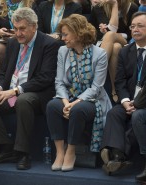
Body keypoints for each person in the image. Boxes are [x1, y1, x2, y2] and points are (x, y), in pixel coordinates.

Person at [0, 7, 61, 170]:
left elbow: (45, 78)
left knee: (23, 100)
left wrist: (15, 91)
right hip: (10, 92)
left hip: (37, 94)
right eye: (15, 29)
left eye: (22, 29)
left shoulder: (49, 44)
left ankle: (23, 152)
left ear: (34, 26)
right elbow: (2, 73)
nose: (18, 33)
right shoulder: (13, 42)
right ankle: (5, 145)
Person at [46, 14, 111, 172]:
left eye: (66, 34)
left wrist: (75, 103)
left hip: (93, 100)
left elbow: (96, 88)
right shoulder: (63, 51)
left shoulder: (99, 54)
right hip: (69, 96)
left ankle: (71, 152)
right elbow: (59, 81)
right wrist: (66, 102)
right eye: (62, 34)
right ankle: (60, 152)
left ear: (78, 33)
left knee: (78, 109)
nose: (63, 38)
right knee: (52, 105)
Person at [100, 11, 146, 176]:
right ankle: (118, 157)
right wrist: (126, 100)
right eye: (133, 26)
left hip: (144, 104)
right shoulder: (126, 52)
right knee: (114, 113)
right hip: (130, 100)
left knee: (138, 116)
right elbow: (119, 81)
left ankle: (116, 155)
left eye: (140, 26)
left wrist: (138, 104)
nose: (135, 29)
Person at [90, 0, 138, 102]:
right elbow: (106, 31)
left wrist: (115, 4)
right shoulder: (99, 7)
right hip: (103, 42)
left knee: (111, 35)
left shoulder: (132, 7)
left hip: (125, 42)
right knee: (116, 47)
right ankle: (114, 90)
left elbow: (114, 31)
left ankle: (95, 71)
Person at [0, 0, 36, 66]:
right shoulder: (2, 4)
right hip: (7, 40)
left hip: (26, 40)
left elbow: (36, 28)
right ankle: (2, 74)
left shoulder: (31, 4)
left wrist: (18, 33)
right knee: (0, 48)